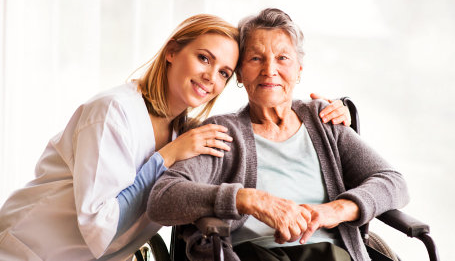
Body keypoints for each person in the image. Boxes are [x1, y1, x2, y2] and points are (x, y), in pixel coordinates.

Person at [0, 13, 349, 261]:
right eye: (203, 58)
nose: (211, 76)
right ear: (171, 52)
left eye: (224, 71)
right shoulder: (112, 112)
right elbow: (99, 230)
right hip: (28, 249)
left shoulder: (188, 129)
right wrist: (167, 156)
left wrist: (345, 110)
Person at [147, 9, 410, 261]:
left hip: (330, 254)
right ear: (239, 74)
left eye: (283, 58)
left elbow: (392, 182)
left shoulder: (325, 120)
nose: (269, 70)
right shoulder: (222, 133)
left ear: (299, 70)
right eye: (256, 58)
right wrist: (247, 199)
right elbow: (162, 199)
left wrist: (336, 210)